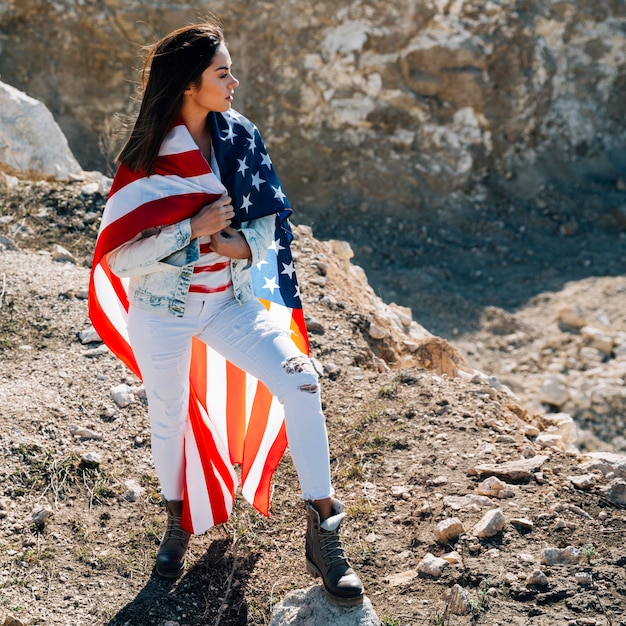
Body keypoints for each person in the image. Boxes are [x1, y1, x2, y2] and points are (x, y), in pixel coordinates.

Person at [88, 21, 363, 605]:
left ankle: (325, 529)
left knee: (303, 382)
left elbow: (266, 231)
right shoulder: (146, 155)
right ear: (190, 84)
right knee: (168, 417)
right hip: (162, 309)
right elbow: (120, 258)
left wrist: (234, 245)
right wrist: (193, 229)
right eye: (222, 73)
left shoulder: (240, 138)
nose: (234, 82)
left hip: (229, 304)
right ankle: (176, 527)